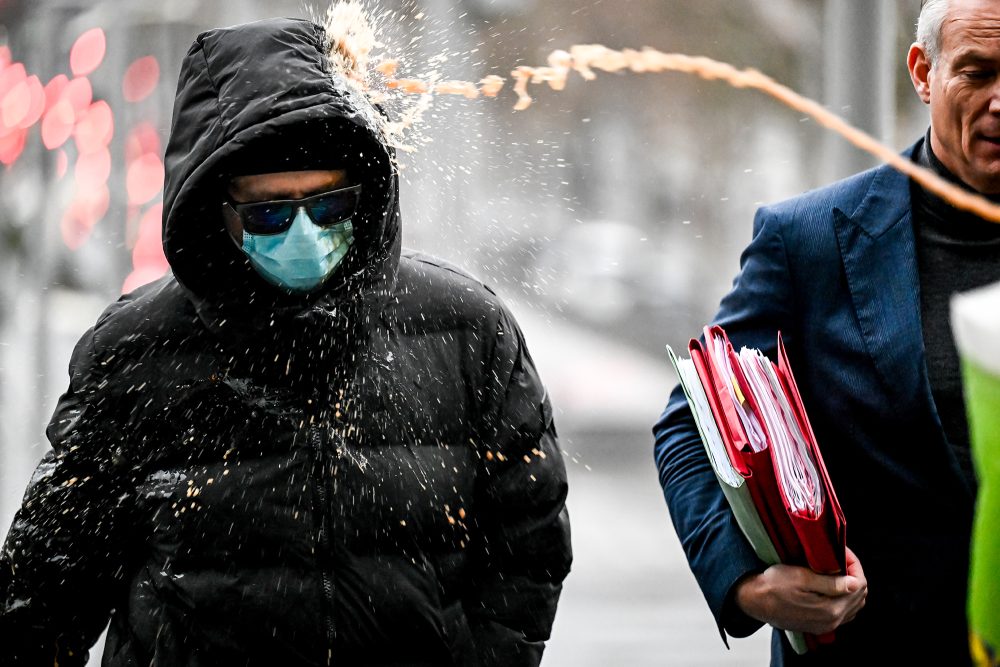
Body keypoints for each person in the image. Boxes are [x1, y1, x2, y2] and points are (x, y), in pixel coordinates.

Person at [0, 16, 571, 666]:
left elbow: (530, 542)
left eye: (328, 206)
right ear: (216, 210)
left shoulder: (468, 333)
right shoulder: (134, 354)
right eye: (269, 212)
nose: (303, 234)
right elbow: (43, 593)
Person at [653, 0, 1000, 663]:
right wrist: (747, 581)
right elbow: (688, 425)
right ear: (923, 73)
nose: (999, 101)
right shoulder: (811, 240)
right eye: (978, 72)